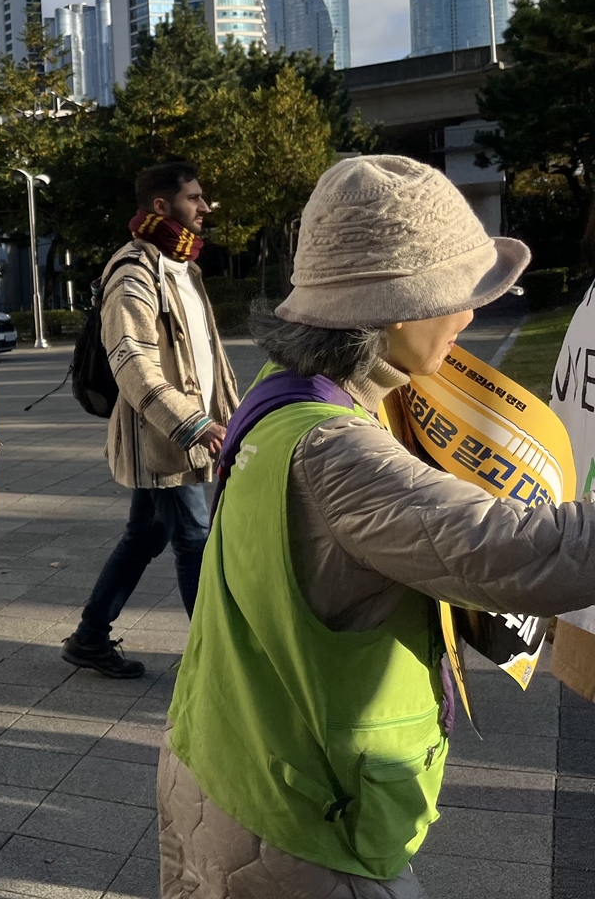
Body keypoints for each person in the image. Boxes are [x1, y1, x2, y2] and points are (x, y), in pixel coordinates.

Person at [158, 155, 595, 898]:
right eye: (459, 297)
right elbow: (524, 553)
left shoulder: (280, 396)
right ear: (396, 307)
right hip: (302, 828)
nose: (470, 317)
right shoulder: (339, 457)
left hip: (216, 761)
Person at [61, 161, 239, 679]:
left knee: (144, 537)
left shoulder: (183, 266)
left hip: (186, 430)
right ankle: (216, 663)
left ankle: (90, 636)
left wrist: (228, 412)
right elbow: (132, 361)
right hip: (163, 436)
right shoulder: (134, 271)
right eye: (195, 198)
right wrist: (194, 425)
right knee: (194, 539)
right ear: (161, 206)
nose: (205, 208)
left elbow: (205, 356)